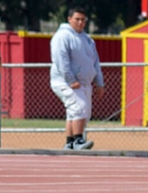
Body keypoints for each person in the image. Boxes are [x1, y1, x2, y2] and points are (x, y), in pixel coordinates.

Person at [50, 7, 104, 151]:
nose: (80, 23)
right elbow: (61, 59)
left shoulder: (88, 40)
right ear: (69, 19)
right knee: (79, 107)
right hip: (67, 82)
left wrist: (99, 83)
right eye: (77, 19)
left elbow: (95, 62)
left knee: (76, 112)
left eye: (83, 20)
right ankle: (78, 140)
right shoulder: (63, 36)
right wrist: (70, 79)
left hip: (84, 82)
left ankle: (69, 143)